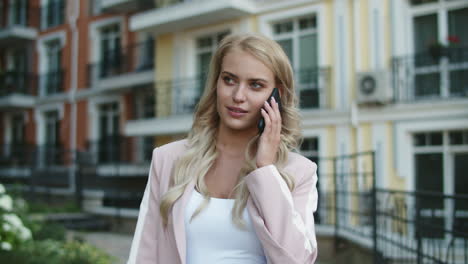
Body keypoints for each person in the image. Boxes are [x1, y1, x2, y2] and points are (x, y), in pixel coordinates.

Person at [127, 33, 318, 264]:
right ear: (216, 83)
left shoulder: (299, 172)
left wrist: (266, 169)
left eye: (255, 85)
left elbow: (298, 260)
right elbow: (144, 253)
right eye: (229, 80)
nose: (238, 96)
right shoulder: (168, 158)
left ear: (277, 96)